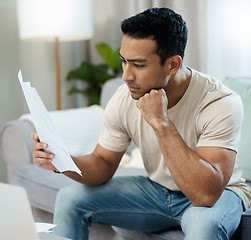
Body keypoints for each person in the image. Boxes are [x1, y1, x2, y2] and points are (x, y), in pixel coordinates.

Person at [31, 7, 251, 240]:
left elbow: (205, 195)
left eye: (138, 64)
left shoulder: (219, 101)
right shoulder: (124, 97)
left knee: (202, 223)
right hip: (157, 191)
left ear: (173, 65)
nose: (126, 75)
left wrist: (161, 123)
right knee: (70, 198)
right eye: (124, 61)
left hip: (219, 194)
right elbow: (102, 163)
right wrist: (60, 160)